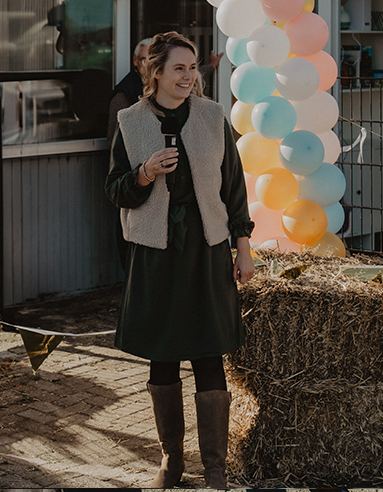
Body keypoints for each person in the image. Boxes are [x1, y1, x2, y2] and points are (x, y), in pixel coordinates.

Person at [105, 31, 255, 489]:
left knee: (209, 356)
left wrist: (242, 245)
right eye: (179, 68)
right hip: (155, 255)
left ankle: (215, 469)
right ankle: (171, 462)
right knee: (163, 357)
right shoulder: (129, 121)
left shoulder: (213, 117)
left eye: (193, 68)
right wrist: (145, 173)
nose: (189, 76)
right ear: (155, 72)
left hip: (207, 250)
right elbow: (115, 191)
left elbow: (234, 187)